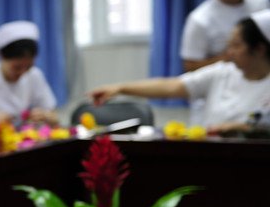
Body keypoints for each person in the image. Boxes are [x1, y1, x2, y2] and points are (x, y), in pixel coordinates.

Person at [91, 9, 270, 134]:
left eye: (236, 45)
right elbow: (171, 86)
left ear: (259, 49)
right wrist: (121, 88)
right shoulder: (222, 73)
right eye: (229, 45)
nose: (228, 52)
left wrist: (243, 129)